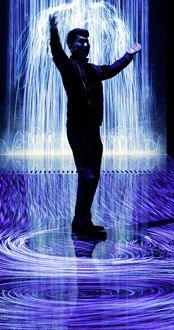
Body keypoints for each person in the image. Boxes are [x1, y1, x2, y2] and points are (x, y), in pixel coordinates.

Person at [48, 13, 142, 239]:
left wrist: (128, 55)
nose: (86, 44)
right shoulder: (68, 66)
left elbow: (111, 69)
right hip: (78, 129)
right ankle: (81, 221)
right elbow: (56, 52)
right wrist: (53, 31)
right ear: (72, 46)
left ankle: (82, 220)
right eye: (81, 41)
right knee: (87, 176)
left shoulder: (93, 70)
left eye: (87, 41)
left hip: (93, 130)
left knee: (93, 177)